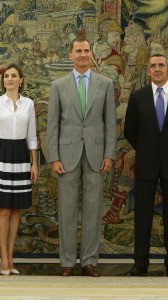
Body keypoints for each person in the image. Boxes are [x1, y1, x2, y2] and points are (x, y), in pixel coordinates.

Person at [47, 38, 117, 277]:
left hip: (97, 156)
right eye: (79, 51)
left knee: (93, 209)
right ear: (71, 54)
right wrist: (53, 157)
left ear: (91, 54)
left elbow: (110, 123)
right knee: (66, 209)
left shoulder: (105, 84)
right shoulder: (58, 85)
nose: (83, 54)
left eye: (87, 50)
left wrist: (109, 154)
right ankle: (67, 262)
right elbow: (53, 125)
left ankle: (89, 261)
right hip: (66, 156)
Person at [125, 53, 168, 276]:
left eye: (161, 65)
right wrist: (146, 148)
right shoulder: (138, 97)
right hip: (146, 163)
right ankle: (140, 264)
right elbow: (130, 130)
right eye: (153, 66)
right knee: (142, 215)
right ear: (148, 70)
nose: (157, 69)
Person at [0, 63, 38, 275]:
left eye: (13, 76)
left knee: (16, 208)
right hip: (1, 154)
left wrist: (34, 163)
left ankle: (11, 257)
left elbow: (32, 137)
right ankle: (3, 259)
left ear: (21, 80)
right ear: (3, 80)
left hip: (21, 155)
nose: (9, 79)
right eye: (6, 76)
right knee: (3, 208)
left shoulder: (29, 104)